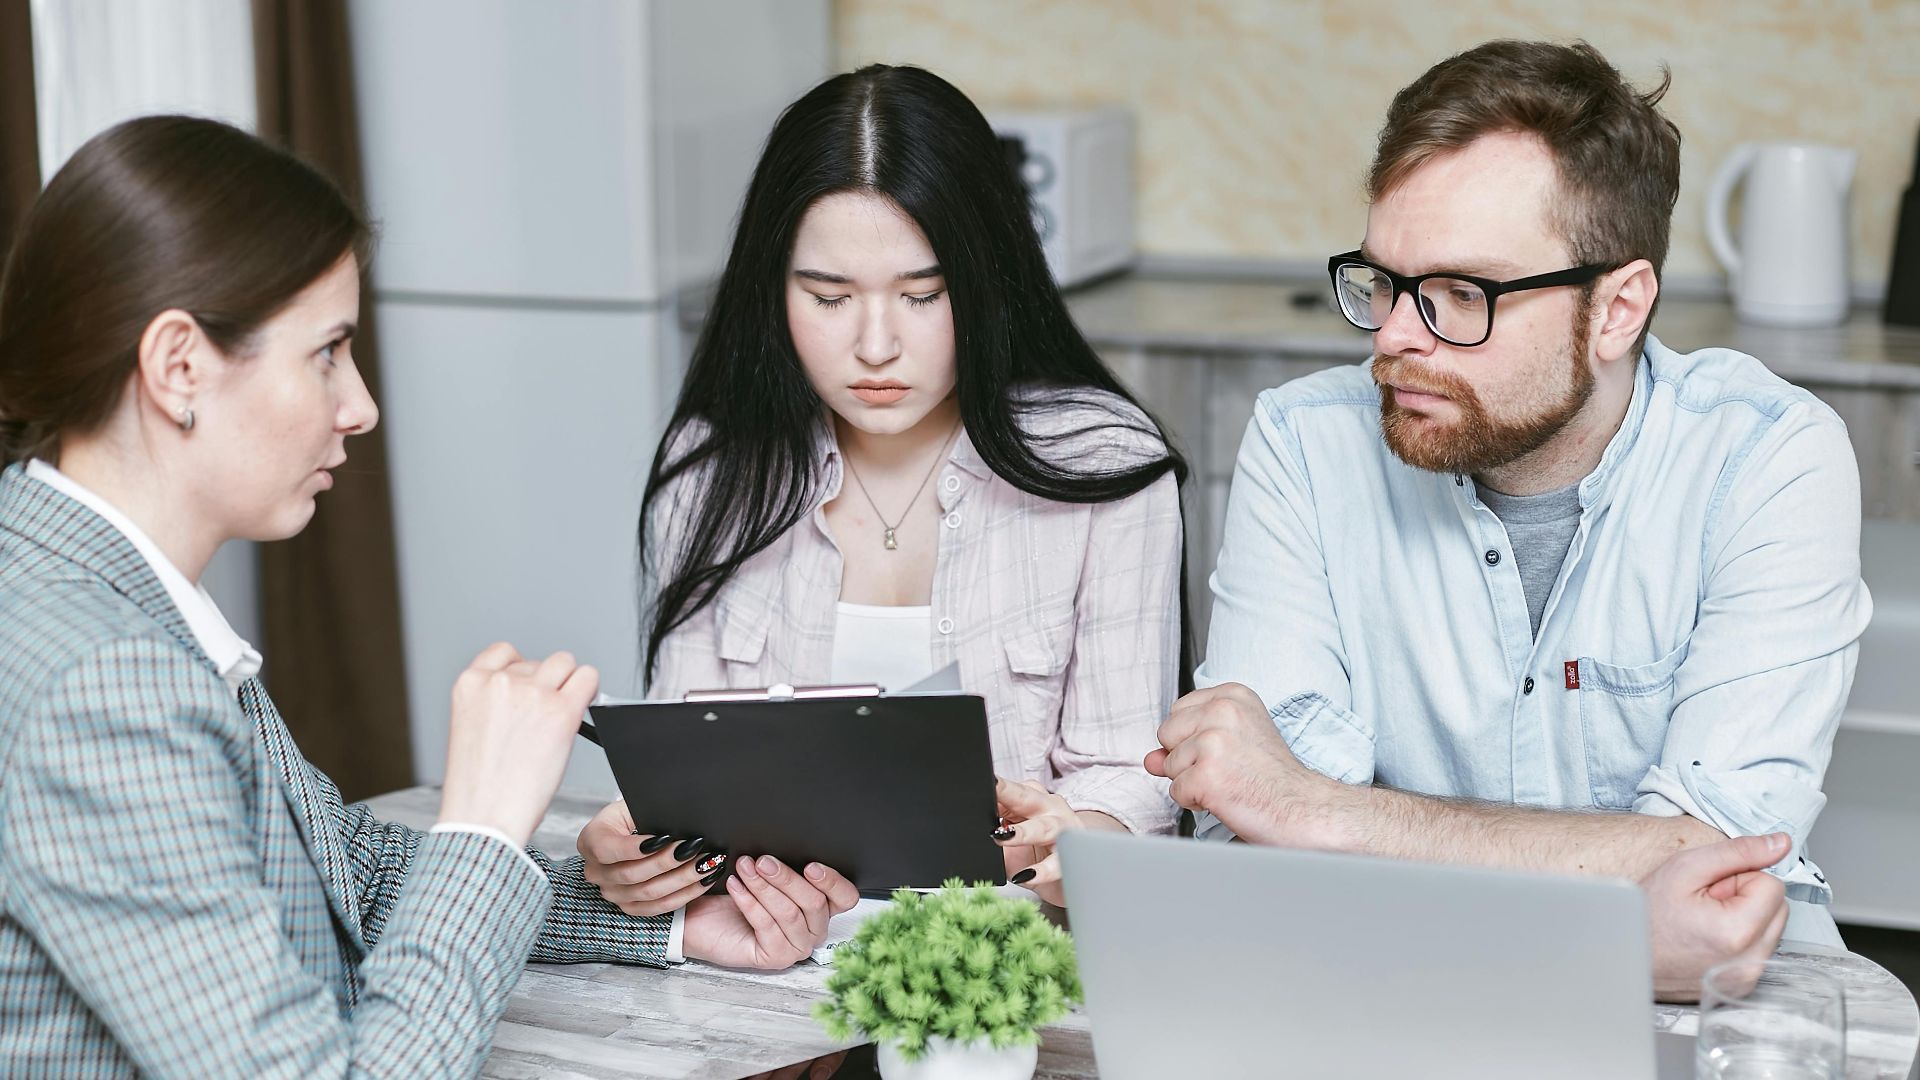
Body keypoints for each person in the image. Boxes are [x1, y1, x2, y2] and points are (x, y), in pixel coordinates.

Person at [0, 116, 855, 1077]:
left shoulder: (84, 585)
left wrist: (670, 924)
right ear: (179, 367)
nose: (359, 405)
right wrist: (485, 818)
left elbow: (342, 873)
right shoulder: (101, 681)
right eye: (326, 352)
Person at [1148, 39, 1869, 950]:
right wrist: (1618, 886)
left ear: (1618, 309)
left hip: (1713, 1006)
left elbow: (1717, 858)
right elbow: (1249, 827)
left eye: (1461, 292)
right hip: (1374, 977)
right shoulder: (1304, 444)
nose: (1397, 337)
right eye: (1385, 281)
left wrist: (1323, 811)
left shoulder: (1768, 459)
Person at [575, 64, 1187, 913]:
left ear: (987, 281)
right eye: (828, 297)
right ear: (772, 289)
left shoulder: (1101, 464)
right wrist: (640, 853)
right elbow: (686, 784)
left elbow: (1137, 777)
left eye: (923, 295)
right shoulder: (713, 468)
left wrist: (1083, 833)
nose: (874, 347)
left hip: (1010, 973)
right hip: (767, 970)